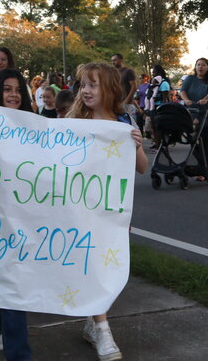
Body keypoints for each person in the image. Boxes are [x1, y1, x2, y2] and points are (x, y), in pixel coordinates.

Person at [68, 63, 147, 361]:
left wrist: (137, 145)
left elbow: (142, 168)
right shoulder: (75, 121)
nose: (86, 91)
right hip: (80, 210)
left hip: (111, 213)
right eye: (83, 85)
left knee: (105, 268)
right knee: (91, 266)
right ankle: (101, 328)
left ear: (110, 89)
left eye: (93, 85)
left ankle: (93, 320)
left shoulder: (123, 123)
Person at [0, 68, 34, 361]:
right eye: (7, 89)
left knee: (13, 279)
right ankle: (19, 355)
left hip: (24, 215)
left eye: (17, 89)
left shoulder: (33, 126)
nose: (13, 95)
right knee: (13, 281)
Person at [179, 58, 208, 170]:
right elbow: (182, 91)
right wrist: (186, 100)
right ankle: (203, 165)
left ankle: (204, 166)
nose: (200, 67)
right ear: (195, 67)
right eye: (198, 65)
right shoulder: (190, 78)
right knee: (194, 142)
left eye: (203, 65)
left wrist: (205, 99)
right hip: (193, 114)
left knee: (202, 142)